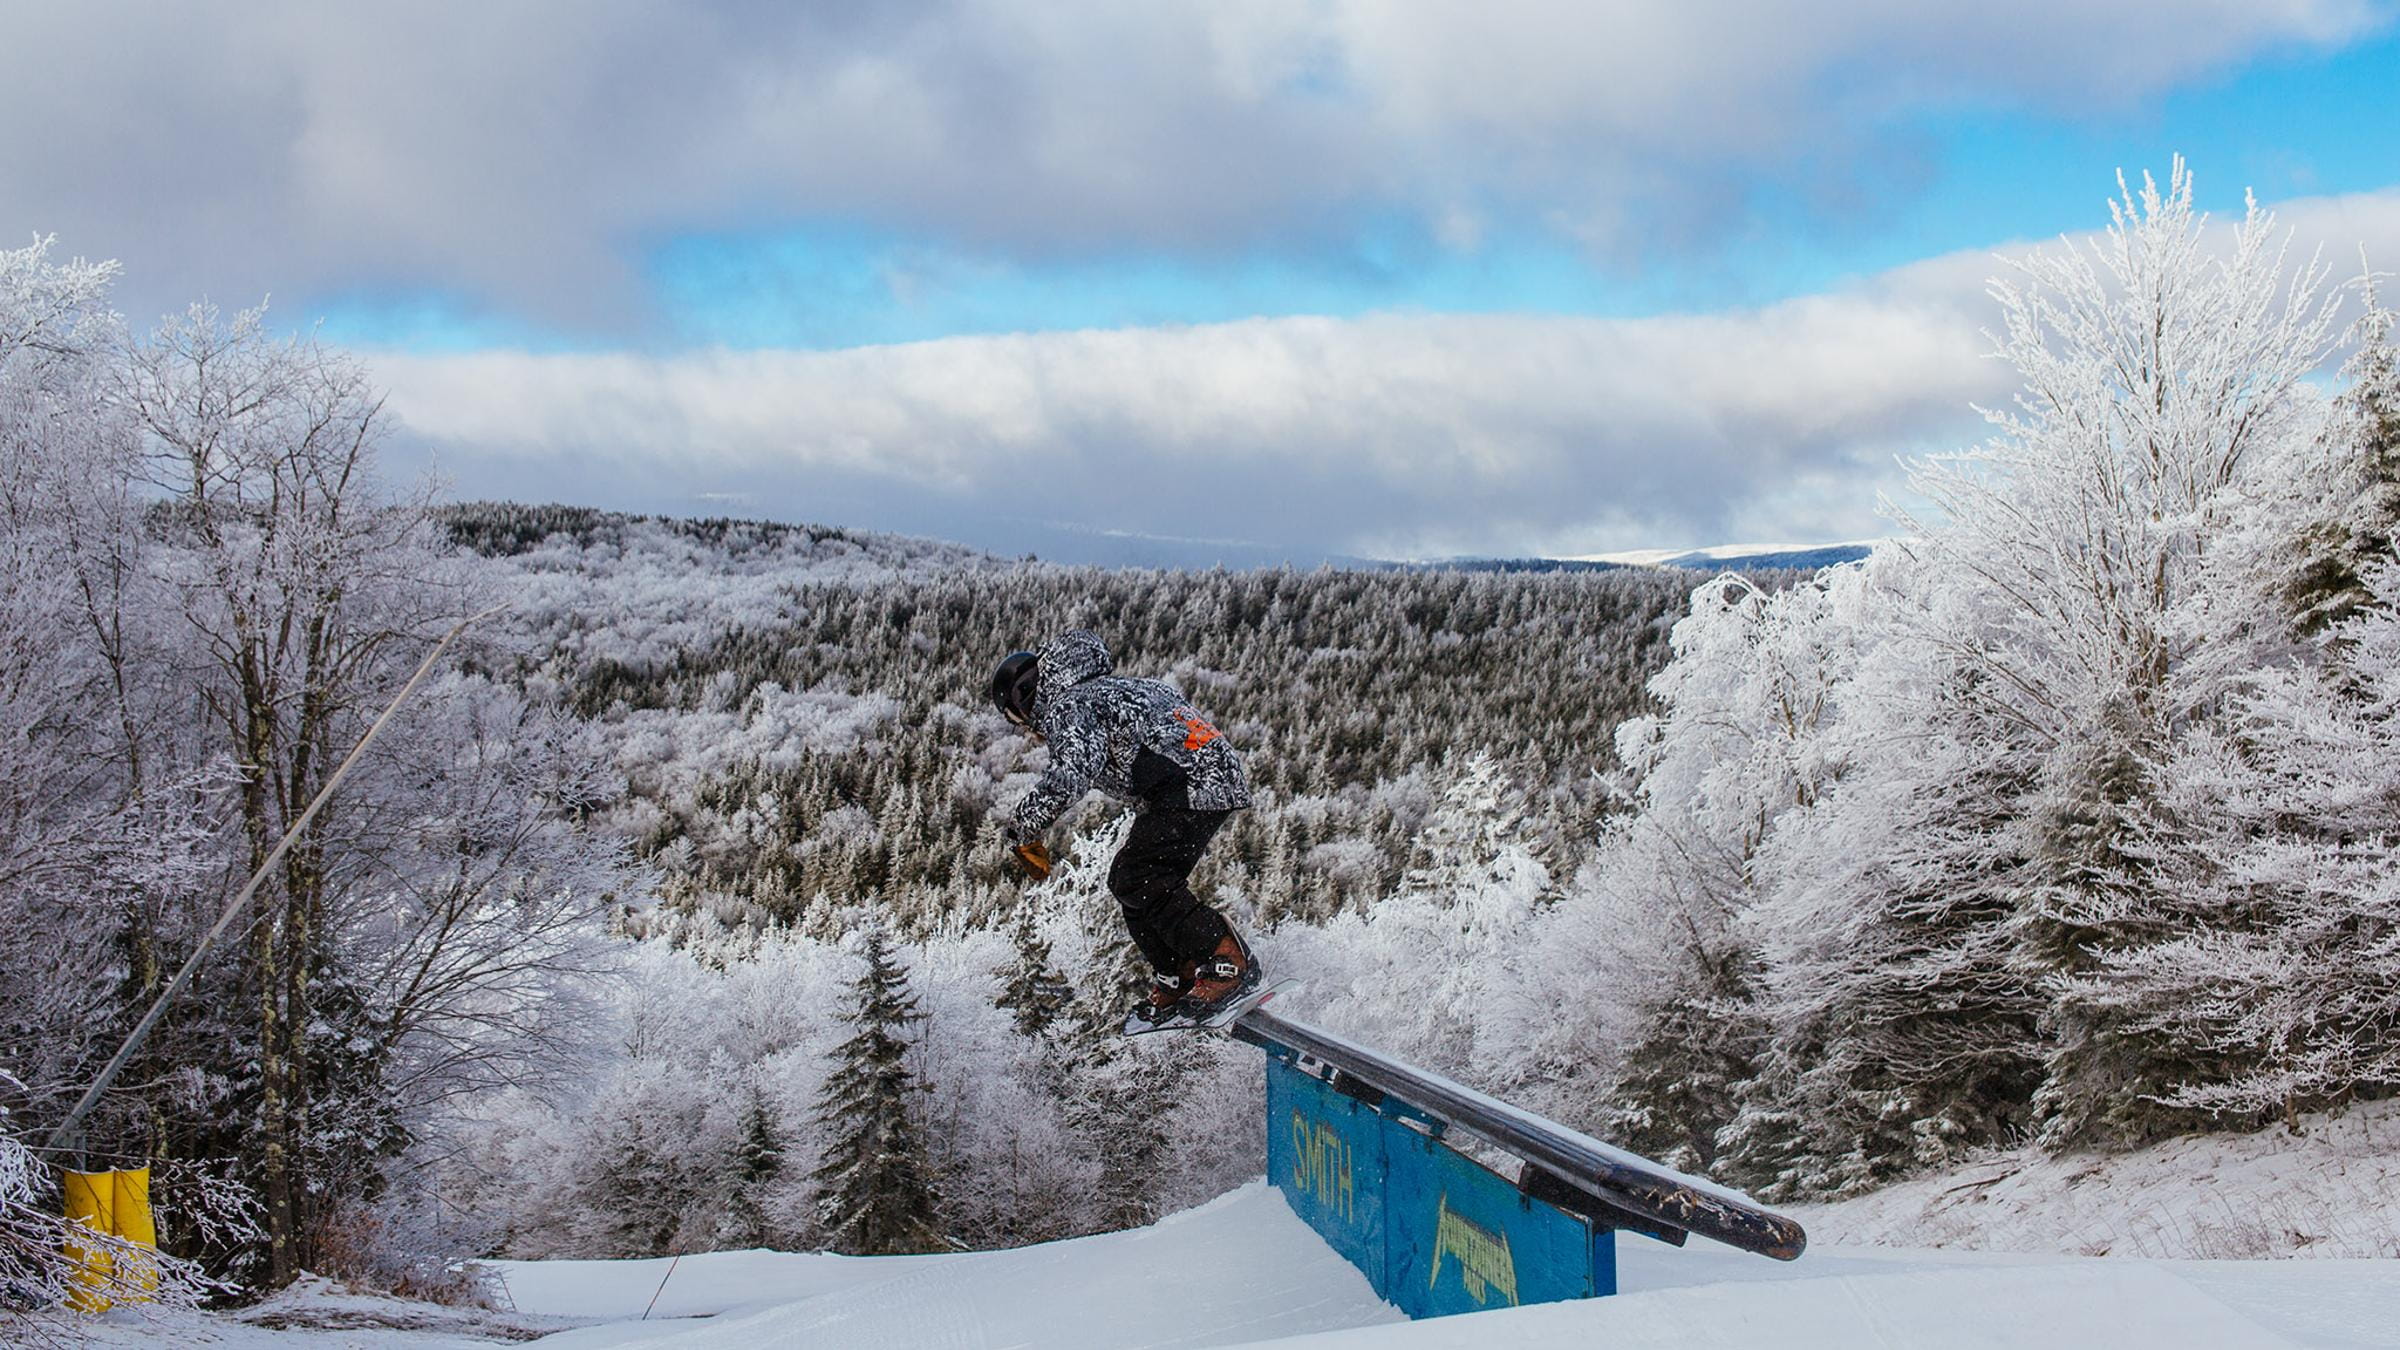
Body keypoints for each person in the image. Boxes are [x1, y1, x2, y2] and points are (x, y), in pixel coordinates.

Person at [991, 630, 1259, 1024]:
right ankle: (1178, 974)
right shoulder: (1118, 688)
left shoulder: (1070, 704)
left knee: (1139, 877)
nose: (1029, 729)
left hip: (1187, 787)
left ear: (1024, 699)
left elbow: (1070, 774)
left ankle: (1225, 959)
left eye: (1018, 719)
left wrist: (1023, 830)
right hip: (1201, 782)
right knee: (1128, 880)